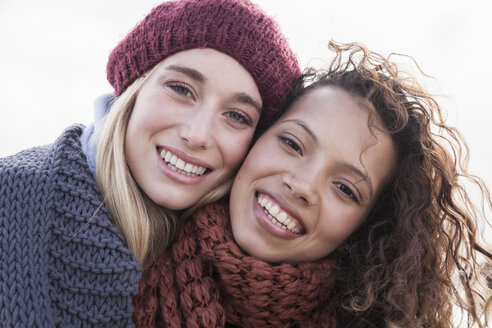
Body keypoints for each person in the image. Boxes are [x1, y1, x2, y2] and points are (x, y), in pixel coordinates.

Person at [133, 41, 492, 327]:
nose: (302, 185)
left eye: (346, 189)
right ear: (256, 137)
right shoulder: (120, 249)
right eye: (291, 144)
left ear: (368, 227)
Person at [0, 0, 300, 326]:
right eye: (181, 89)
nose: (198, 135)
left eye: (236, 116)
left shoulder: (244, 276)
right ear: (134, 88)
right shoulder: (11, 197)